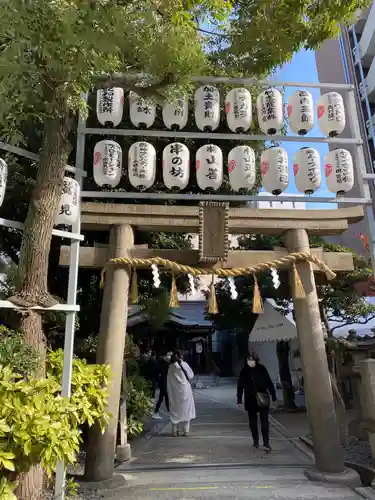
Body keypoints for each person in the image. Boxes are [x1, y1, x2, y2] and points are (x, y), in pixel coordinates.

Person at [237, 351, 276, 452]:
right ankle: (256, 441)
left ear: (256, 359)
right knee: (253, 422)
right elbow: (240, 385)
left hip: (262, 397)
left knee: (264, 422)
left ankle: (266, 443)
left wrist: (274, 395)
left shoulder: (261, 369)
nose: (250, 361)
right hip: (251, 399)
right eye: (248, 359)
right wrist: (239, 399)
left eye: (252, 359)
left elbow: (268, 382)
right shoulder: (244, 371)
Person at [167, 350, 196, 437]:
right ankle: (186, 430)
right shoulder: (184, 365)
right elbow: (191, 376)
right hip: (185, 390)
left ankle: (175, 430)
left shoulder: (171, 367)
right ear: (181, 356)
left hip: (174, 392)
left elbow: (168, 381)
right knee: (186, 409)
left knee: (175, 409)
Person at [152, 352, 172, 420]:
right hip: (164, 383)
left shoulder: (160, 363)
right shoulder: (165, 364)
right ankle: (156, 411)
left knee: (165, 398)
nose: (169, 357)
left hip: (162, 382)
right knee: (162, 398)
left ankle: (169, 413)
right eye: (168, 355)